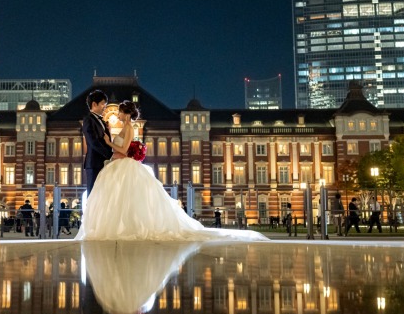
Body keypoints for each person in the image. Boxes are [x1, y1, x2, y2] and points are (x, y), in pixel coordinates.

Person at [76, 100, 269, 242]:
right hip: (118, 167)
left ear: (126, 113)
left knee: (127, 200)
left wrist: (109, 143)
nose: (117, 115)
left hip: (123, 166)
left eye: (119, 112)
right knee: (121, 201)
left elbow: (125, 149)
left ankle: (125, 229)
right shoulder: (125, 126)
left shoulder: (129, 127)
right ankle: (118, 229)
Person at [82, 89, 113, 196]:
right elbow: (93, 142)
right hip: (94, 163)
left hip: (102, 163)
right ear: (94, 104)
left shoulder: (101, 121)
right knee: (93, 194)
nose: (105, 107)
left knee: (102, 195)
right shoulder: (88, 120)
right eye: (103, 104)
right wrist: (109, 155)